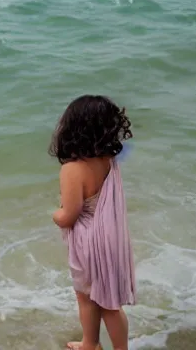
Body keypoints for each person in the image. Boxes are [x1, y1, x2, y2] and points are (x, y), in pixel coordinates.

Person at [50, 95, 136, 350]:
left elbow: (70, 215)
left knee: (87, 298)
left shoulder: (72, 169)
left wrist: (56, 215)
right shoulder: (109, 160)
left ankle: (90, 344)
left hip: (89, 245)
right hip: (112, 238)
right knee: (111, 303)